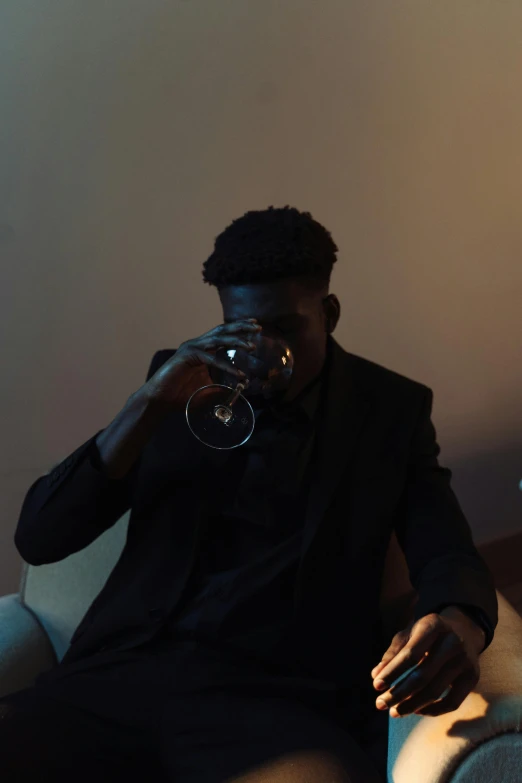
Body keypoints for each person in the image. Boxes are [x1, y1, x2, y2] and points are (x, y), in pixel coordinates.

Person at [5, 206, 497, 782]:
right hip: (126, 673)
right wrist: (146, 405)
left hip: (279, 699)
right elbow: (40, 537)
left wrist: (461, 619)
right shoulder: (178, 388)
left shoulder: (389, 411)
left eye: (285, 328)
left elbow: (447, 548)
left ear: (329, 313)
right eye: (242, 330)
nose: (262, 354)